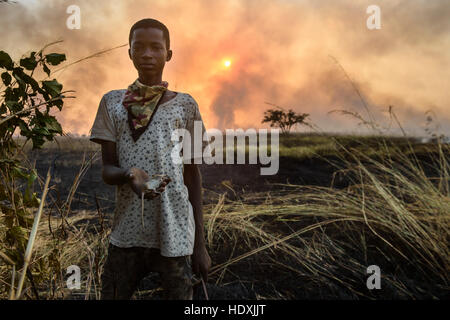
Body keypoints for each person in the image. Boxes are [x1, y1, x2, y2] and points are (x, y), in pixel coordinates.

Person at [89, 18, 212, 300]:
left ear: (168, 54)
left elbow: (192, 175)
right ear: (129, 52)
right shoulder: (112, 102)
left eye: (156, 47)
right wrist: (130, 175)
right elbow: (107, 171)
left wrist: (200, 246)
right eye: (139, 47)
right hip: (128, 231)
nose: (147, 54)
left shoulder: (186, 104)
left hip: (176, 232)